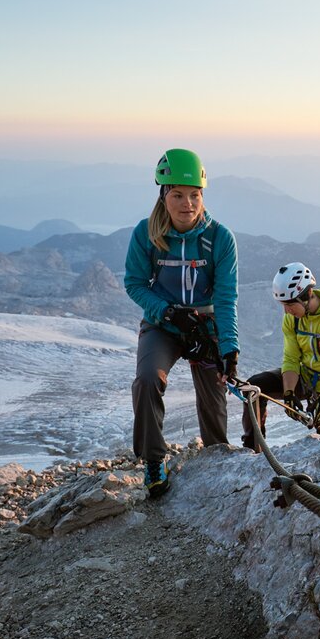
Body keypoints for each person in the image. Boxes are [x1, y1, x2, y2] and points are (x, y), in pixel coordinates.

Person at [124, 148, 239, 496]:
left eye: (194, 195)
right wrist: (169, 312)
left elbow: (225, 297)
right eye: (177, 195)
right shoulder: (146, 234)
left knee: (213, 399)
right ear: (163, 196)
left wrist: (229, 349)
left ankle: (218, 458)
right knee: (147, 380)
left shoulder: (220, 238)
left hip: (206, 326)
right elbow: (134, 284)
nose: (187, 203)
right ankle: (154, 461)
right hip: (164, 324)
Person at [241, 262, 320, 452]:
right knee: (254, 387)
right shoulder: (292, 318)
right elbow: (291, 359)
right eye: (283, 305)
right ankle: (253, 450)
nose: (286, 311)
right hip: (305, 379)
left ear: (306, 296)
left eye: (290, 304)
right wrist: (288, 393)